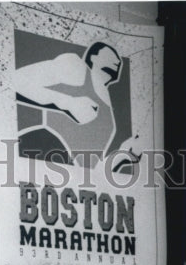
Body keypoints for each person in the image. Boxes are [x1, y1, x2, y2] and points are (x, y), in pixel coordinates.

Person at [14, 41, 142, 173]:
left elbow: (91, 172)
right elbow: (15, 80)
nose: (117, 59)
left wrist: (122, 154)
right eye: (109, 54)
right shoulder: (76, 67)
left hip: (68, 173)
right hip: (44, 151)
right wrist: (67, 103)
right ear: (93, 57)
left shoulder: (108, 104)